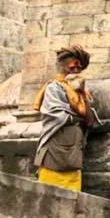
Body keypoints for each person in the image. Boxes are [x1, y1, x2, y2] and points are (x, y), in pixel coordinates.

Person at [33, 45, 98, 191]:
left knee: (72, 203)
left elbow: (90, 121)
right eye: (72, 68)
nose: (76, 71)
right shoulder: (54, 88)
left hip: (74, 156)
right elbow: (57, 116)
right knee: (49, 199)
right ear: (62, 68)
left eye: (79, 68)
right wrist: (79, 119)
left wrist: (82, 95)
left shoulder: (83, 93)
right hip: (54, 154)